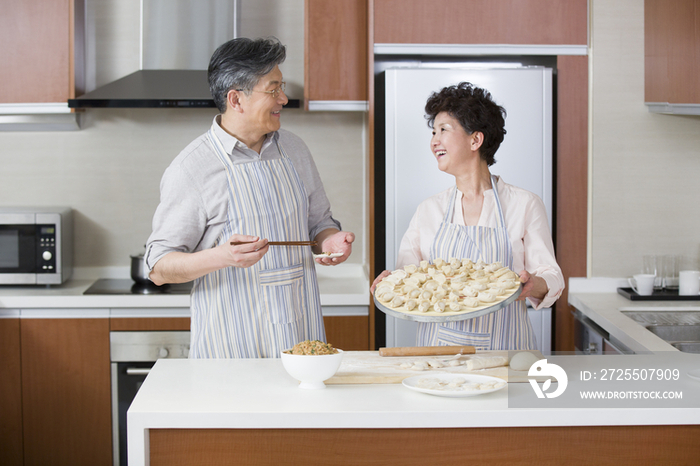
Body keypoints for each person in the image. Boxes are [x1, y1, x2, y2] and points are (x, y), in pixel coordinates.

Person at [146, 37, 354, 358]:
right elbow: (159, 267)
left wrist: (331, 241)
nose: (283, 98)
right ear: (236, 99)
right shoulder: (192, 168)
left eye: (282, 87)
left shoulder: (294, 150)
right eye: (273, 89)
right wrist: (222, 257)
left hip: (302, 340)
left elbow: (319, 224)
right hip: (231, 347)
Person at [372, 82, 564, 350]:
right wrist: (390, 284)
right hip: (437, 354)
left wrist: (533, 285)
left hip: (506, 351)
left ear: (475, 139)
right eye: (433, 132)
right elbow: (407, 277)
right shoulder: (429, 210)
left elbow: (551, 276)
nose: (434, 141)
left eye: (443, 130)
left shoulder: (524, 204)